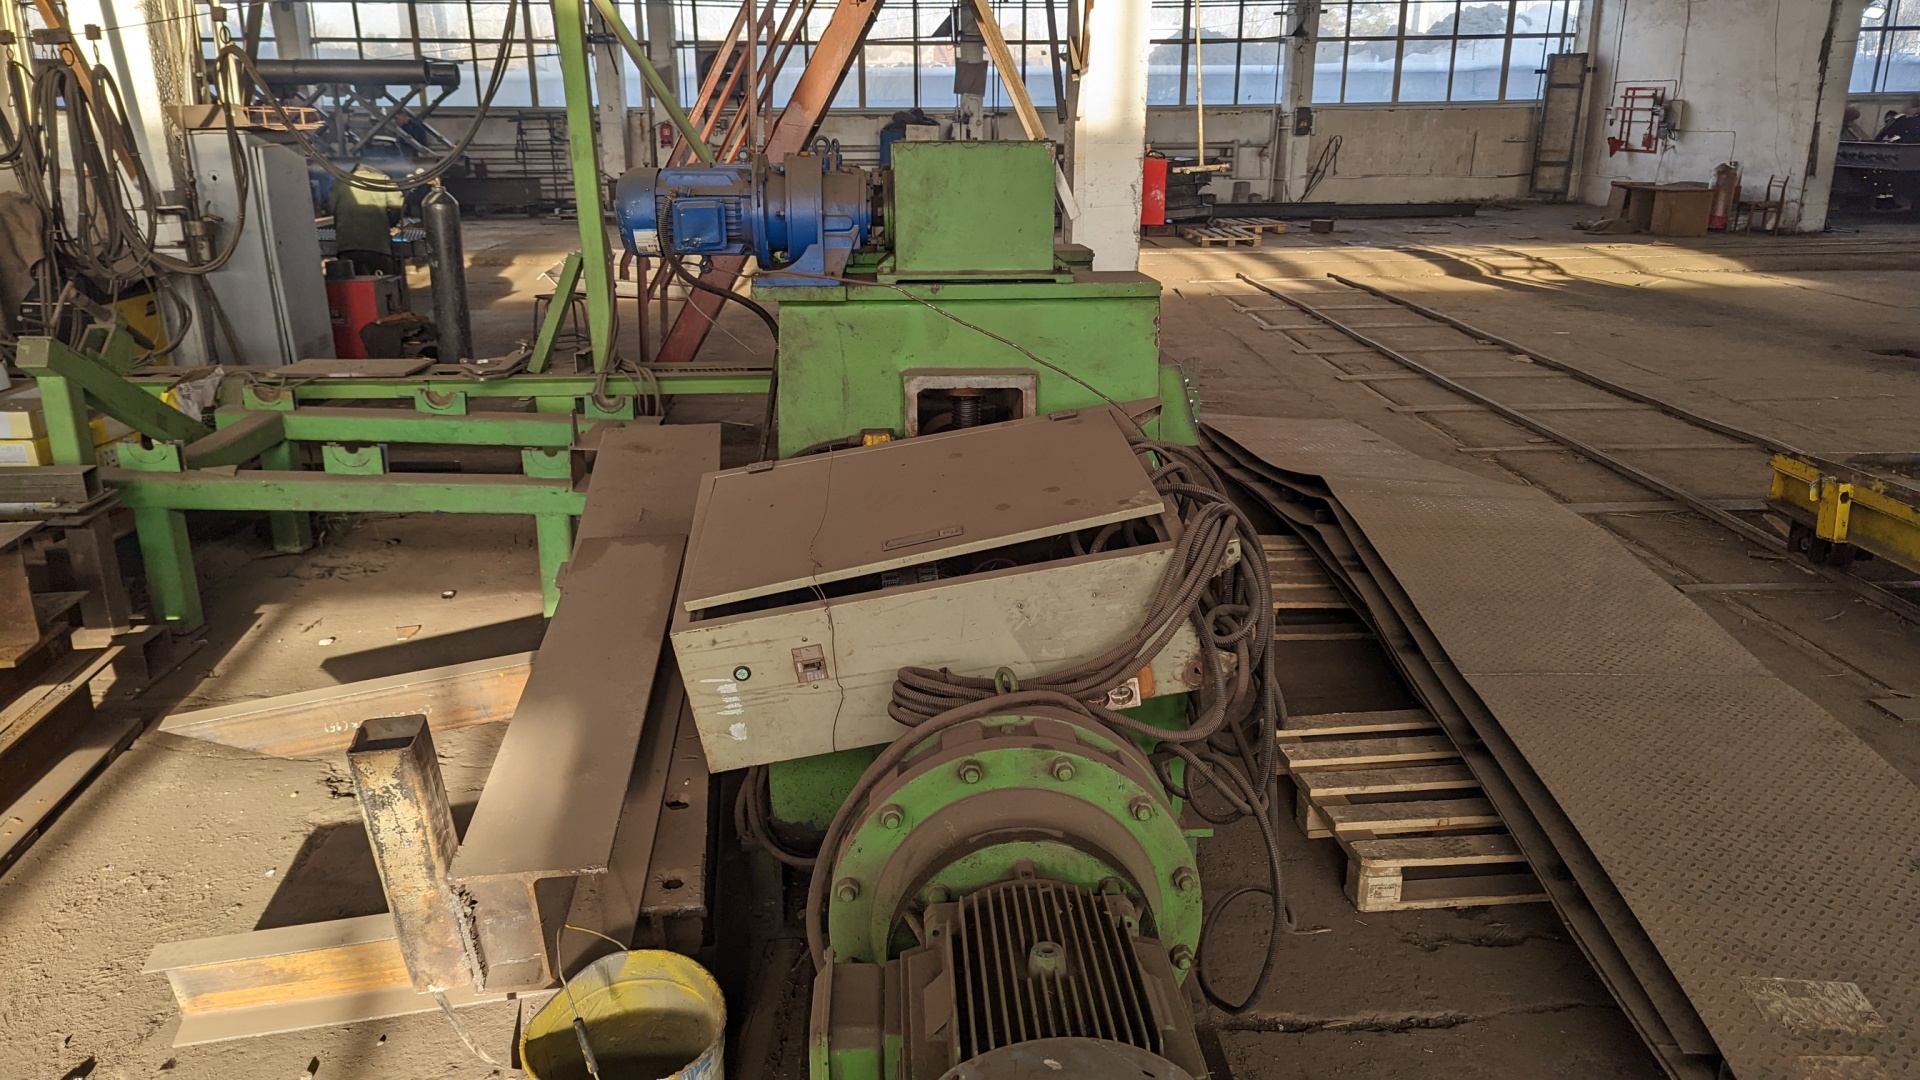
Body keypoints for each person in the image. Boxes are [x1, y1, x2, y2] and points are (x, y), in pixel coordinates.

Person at [327, 163, 405, 275]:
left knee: (354, 281)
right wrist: (391, 224)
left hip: (347, 246)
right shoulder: (382, 180)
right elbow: (397, 206)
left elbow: (330, 207)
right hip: (377, 246)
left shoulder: (341, 182)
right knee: (383, 281)